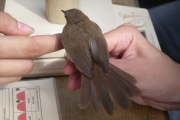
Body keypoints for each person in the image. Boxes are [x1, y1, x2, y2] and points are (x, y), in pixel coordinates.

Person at [0, 3, 180, 117]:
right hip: (98, 60)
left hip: (88, 65)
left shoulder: (66, 32)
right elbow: (100, 44)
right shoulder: (92, 25)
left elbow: (75, 55)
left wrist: (90, 67)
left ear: (68, 20)